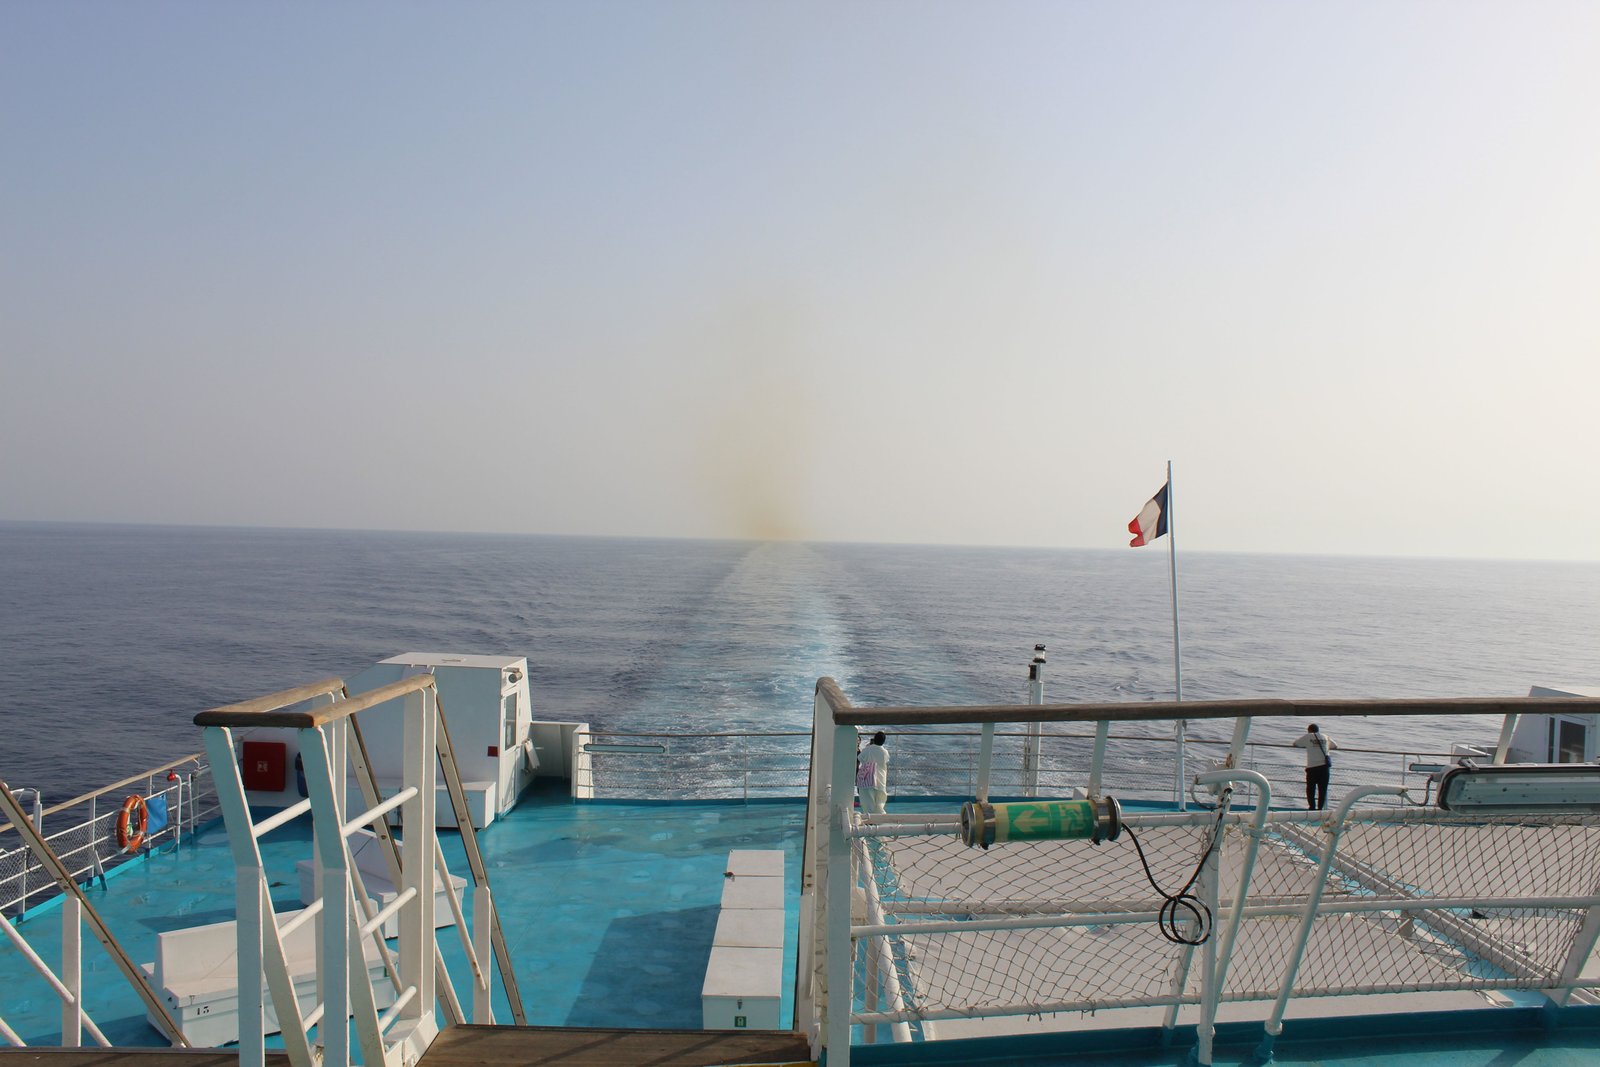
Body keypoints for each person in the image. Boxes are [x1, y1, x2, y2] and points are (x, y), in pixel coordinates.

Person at [1293, 723, 1337, 811]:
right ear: (1318, 730)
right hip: (1324, 767)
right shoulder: (1325, 736)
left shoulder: (1308, 736)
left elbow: (1295, 744)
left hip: (1312, 767)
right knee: (1322, 789)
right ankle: (1320, 809)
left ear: (1309, 730)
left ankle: (1312, 808)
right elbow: (1335, 746)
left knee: (1310, 789)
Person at [856, 732, 889, 814]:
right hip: (880, 777)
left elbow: (860, 758)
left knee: (867, 798)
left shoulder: (868, 749)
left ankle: (869, 817)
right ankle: (880, 815)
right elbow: (886, 761)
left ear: (874, 739)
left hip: (868, 777)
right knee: (880, 798)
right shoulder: (885, 752)